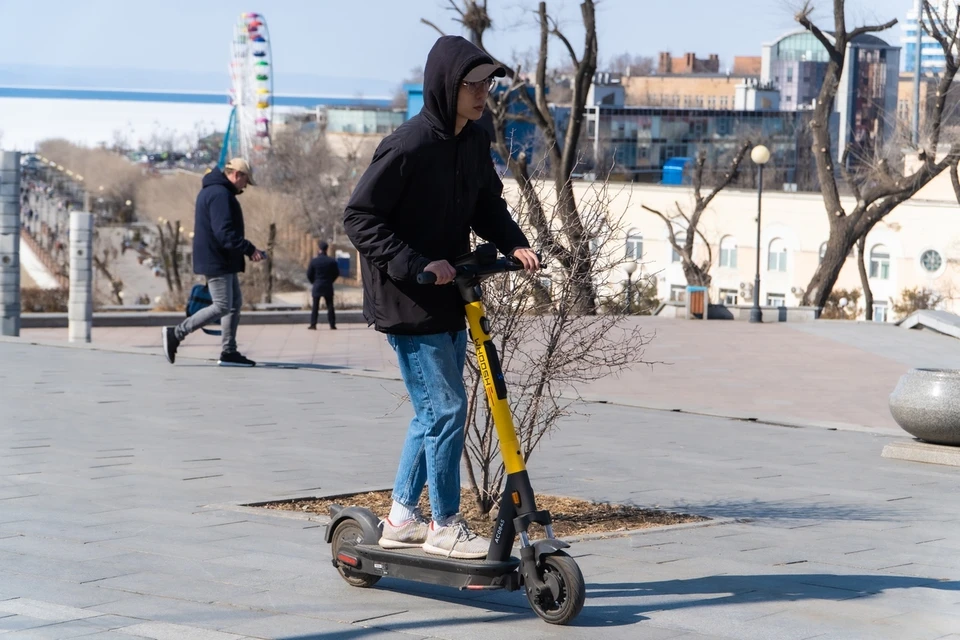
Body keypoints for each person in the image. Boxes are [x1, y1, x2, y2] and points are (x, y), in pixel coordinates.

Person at [343, 35, 540, 559]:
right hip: (408, 296)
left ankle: (403, 517)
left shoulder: (473, 140)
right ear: (446, 86)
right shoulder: (407, 146)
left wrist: (514, 242)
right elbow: (360, 217)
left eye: (487, 84)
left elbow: (486, 204)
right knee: (448, 408)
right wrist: (414, 264)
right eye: (472, 84)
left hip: (451, 290)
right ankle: (445, 524)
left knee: (432, 412)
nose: (482, 94)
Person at [162, 158, 266, 367]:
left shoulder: (215, 191)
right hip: (217, 259)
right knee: (222, 305)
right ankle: (176, 333)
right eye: (246, 181)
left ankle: (229, 352)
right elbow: (224, 233)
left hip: (222, 259)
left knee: (234, 304)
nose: (245, 186)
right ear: (237, 174)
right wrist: (249, 249)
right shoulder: (220, 195)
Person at [306, 241, 340, 330]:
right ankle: (332, 324)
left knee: (315, 306)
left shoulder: (314, 261)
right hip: (328, 285)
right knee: (330, 306)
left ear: (319, 249)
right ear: (326, 249)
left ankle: (313, 324)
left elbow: (309, 274)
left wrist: (314, 282)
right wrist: (330, 280)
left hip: (317, 285)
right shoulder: (331, 261)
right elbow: (336, 273)